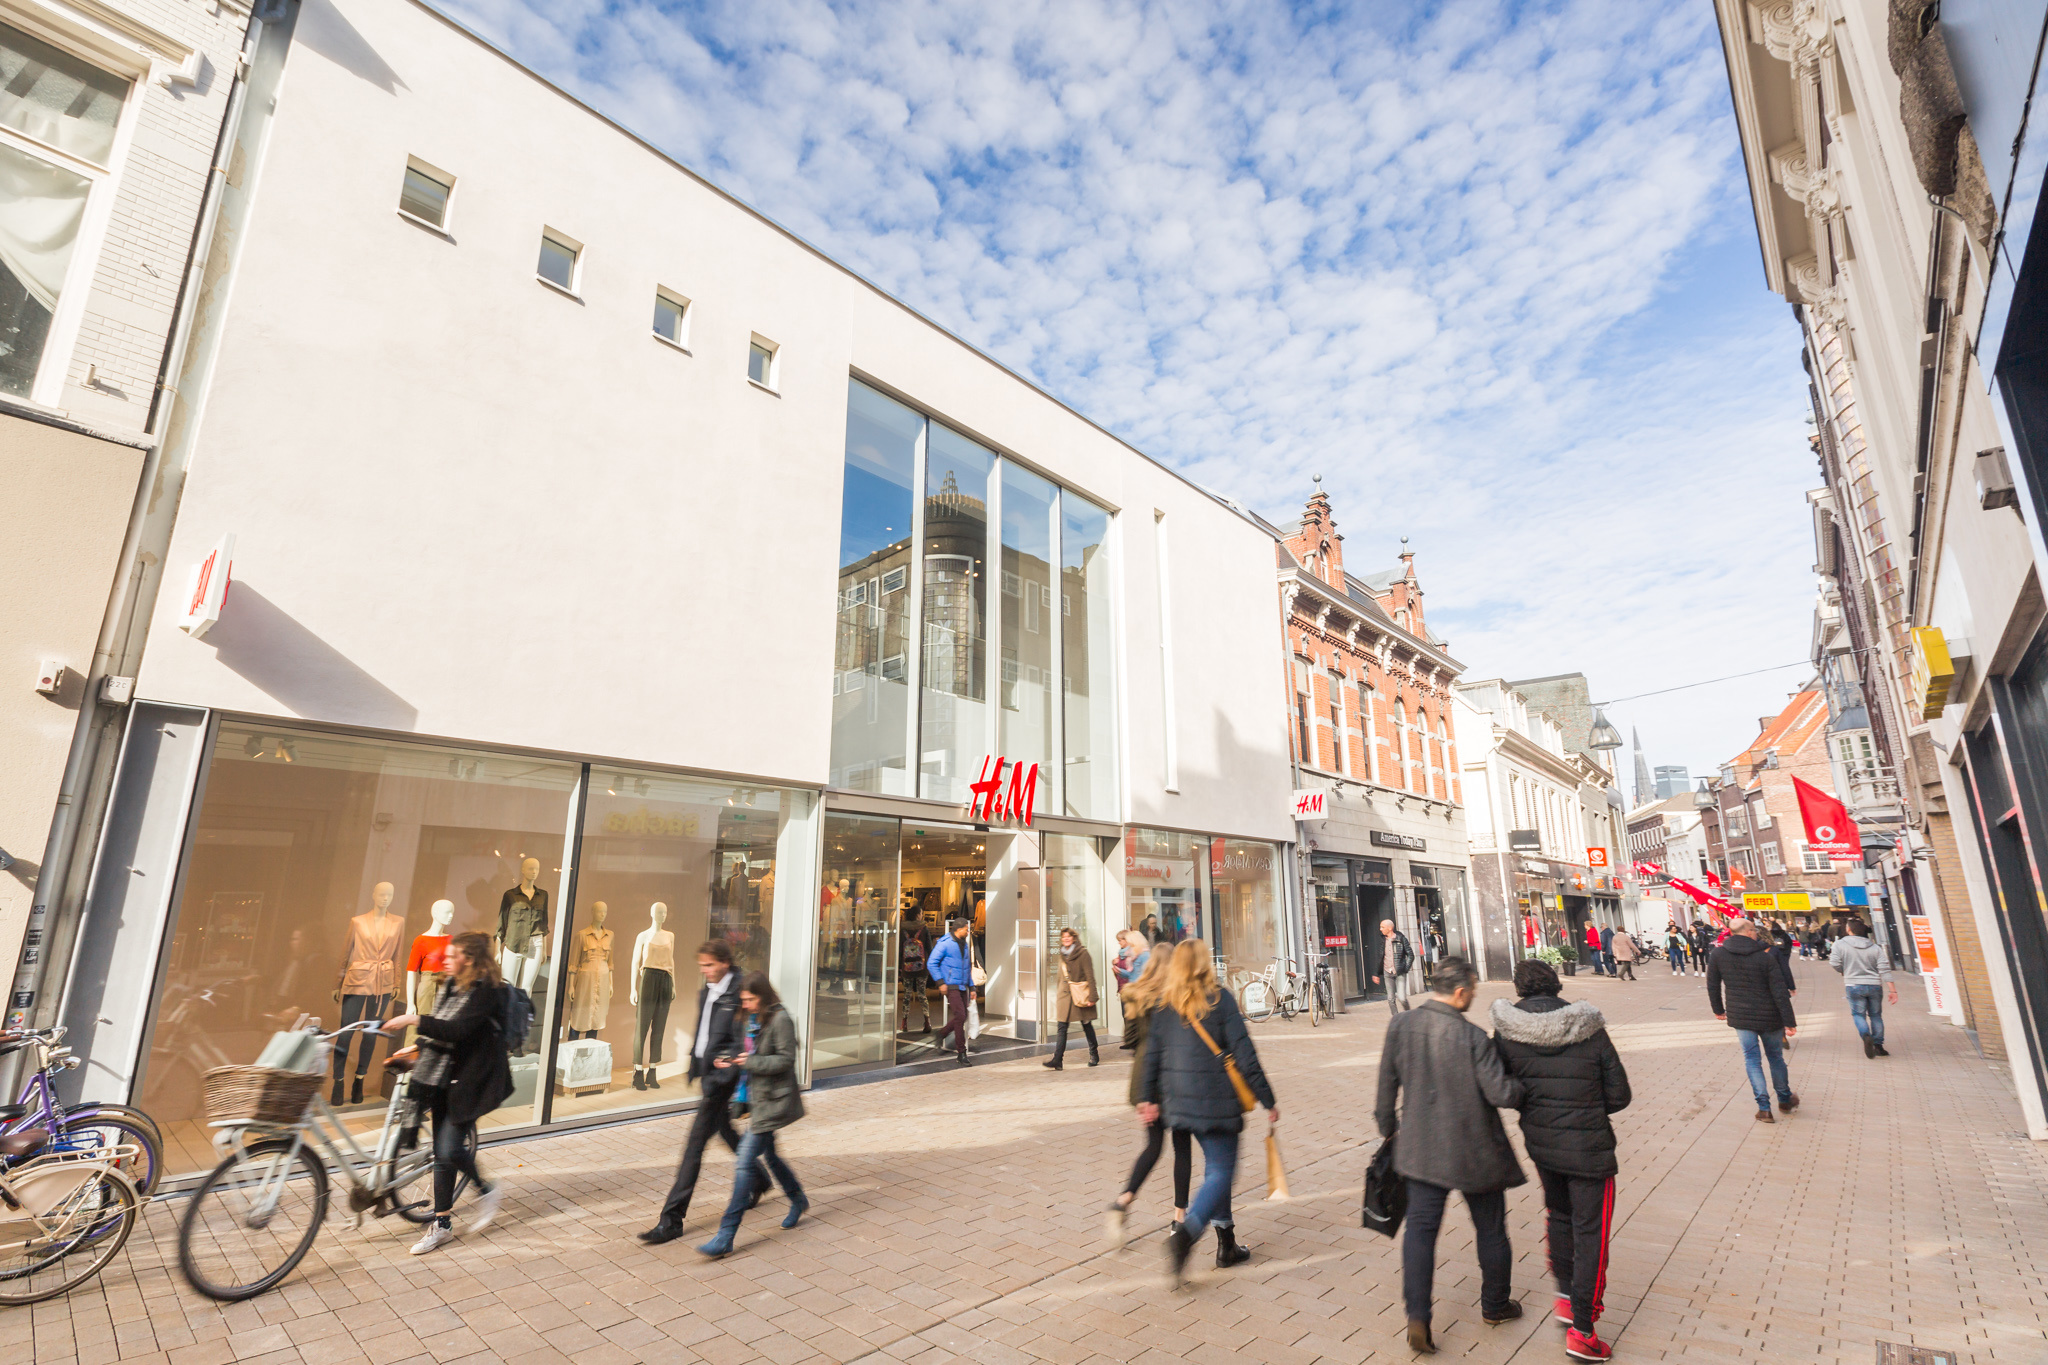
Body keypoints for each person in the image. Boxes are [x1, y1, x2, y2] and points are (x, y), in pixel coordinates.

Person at [1375, 957, 1526, 1354]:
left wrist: (1390, 1130)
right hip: (1475, 1150)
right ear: (1460, 992)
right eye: (1473, 991)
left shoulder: (1401, 1025)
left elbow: (1385, 1090)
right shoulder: (1474, 1037)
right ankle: (1495, 1305)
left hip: (1421, 1149)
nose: (1474, 997)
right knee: (1491, 1229)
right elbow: (1501, 1094)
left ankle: (1418, 1317)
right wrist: (1522, 1084)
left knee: (1420, 1232)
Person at [1490, 960, 1631, 1363]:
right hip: (1590, 1150)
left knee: (1559, 1214)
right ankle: (1584, 1332)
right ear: (1555, 985)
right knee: (1592, 1233)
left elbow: (1503, 1090)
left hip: (1542, 1145)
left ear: (1519, 988)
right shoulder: (1589, 1027)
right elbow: (1619, 1095)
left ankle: (1567, 1300)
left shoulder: (1506, 1032)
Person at [1137, 939, 1277, 1286]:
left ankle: (1227, 1244)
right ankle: (1187, 1234)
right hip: (1215, 1100)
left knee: (1218, 1169)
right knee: (1220, 1171)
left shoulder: (1165, 1005)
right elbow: (1245, 1055)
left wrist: (1146, 1097)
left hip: (1179, 1102)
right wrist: (1268, 1099)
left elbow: (1150, 1056)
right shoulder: (1220, 1000)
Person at [380, 930, 512, 1255]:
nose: (446, 960)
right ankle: (442, 1225)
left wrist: (414, 1019)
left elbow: (457, 1030)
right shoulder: (451, 984)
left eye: (452, 956)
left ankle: (486, 1189)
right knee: (442, 1154)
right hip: (442, 1077)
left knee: (449, 1147)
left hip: (471, 1081)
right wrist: (413, 1047)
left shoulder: (488, 992)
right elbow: (441, 1027)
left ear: (469, 959)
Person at [638, 941, 770, 1244]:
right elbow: (704, 1031)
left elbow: (743, 1040)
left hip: (722, 1080)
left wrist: (726, 1070)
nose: (704, 970)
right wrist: (695, 1065)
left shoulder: (740, 991)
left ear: (724, 962)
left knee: (694, 1146)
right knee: (724, 1130)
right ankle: (761, 1179)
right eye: (702, 966)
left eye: (709, 965)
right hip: (707, 1075)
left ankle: (671, 1220)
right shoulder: (707, 991)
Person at [696, 974, 808, 1257]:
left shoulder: (781, 1019)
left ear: (763, 996)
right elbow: (748, 1054)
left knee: (744, 1164)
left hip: (771, 1102)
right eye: (743, 1000)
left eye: (750, 999)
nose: (745, 1004)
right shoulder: (753, 1018)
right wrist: (731, 1060)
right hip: (756, 1100)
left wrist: (753, 1062)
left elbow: (785, 1060)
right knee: (770, 1155)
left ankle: (725, 1235)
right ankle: (798, 1199)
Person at [1106, 946, 1190, 1245]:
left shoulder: (1135, 994)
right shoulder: (1178, 996)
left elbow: (1129, 1040)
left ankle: (1123, 1200)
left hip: (1144, 1081)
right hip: (1175, 1079)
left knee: (1153, 1146)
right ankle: (1179, 1219)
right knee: (1182, 1148)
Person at [1707, 919, 1798, 1122]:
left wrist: (1718, 1010)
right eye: (1754, 930)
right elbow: (1779, 991)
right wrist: (1789, 1021)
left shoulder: (1719, 954)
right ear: (1748, 932)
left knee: (1752, 1059)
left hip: (1741, 1016)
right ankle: (1784, 1098)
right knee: (1775, 1057)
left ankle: (1764, 1108)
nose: (1756, 933)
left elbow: (1712, 985)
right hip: (1770, 1016)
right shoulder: (1765, 957)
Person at [1830, 917, 1899, 1058]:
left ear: (1849, 929)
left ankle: (1866, 1035)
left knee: (1858, 1014)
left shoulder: (1839, 944)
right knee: (1875, 1015)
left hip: (1853, 985)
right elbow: (1884, 969)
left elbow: (1834, 962)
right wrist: (1892, 990)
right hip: (1874, 985)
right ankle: (1879, 1045)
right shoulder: (1875, 947)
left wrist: (1843, 970)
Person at [1046, 928, 1101, 1070]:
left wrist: (1093, 996)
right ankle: (1057, 1060)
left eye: (1068, 937)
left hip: (1080, 994)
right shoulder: (1062, 954)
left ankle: (1094, 1054)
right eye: (1063, 937)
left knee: (1086, 1025)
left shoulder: (1083, 954)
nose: (1066, 939)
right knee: (1062, 1027)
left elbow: (1090, 976)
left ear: (1074, 938)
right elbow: (1060, 977)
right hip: (1065, 996)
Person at [926, 918, 975, 1066]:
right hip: (951, 984)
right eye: (967, 929)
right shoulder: (945, 943)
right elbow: (931, 963)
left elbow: (967, 967)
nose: (968, 931)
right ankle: (961, 1052)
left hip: (962, 985)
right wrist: (941, 982)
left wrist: (972, 987)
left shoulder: (964, 945)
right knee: (960, 1016)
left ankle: (941, 1033)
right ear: (959, 929)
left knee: (963, 1016)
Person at [1373, 918, 1415, 1014]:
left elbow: (1410, 955)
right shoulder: (1383, 940)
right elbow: (1380, 958)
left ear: (1390, 928)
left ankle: (1409, 1014)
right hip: (1387, 971)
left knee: (1402, 998)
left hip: (1400, 971)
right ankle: (1396, 1018)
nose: (1380, 929)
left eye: (1382, 927)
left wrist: (1405, 968)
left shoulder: (1401, 939)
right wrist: (1376, 974)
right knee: (1391, 999)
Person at [899, 916, 932, 1033]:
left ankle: (904, 1023)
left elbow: (900, 950)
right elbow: (929, 947)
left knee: (907, 995)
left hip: (907, 968)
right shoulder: (924, 928)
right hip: (921, 968)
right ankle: (927, 1021)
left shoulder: (903, 929)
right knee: (922, 994)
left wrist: (900, 967)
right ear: (918, 914)